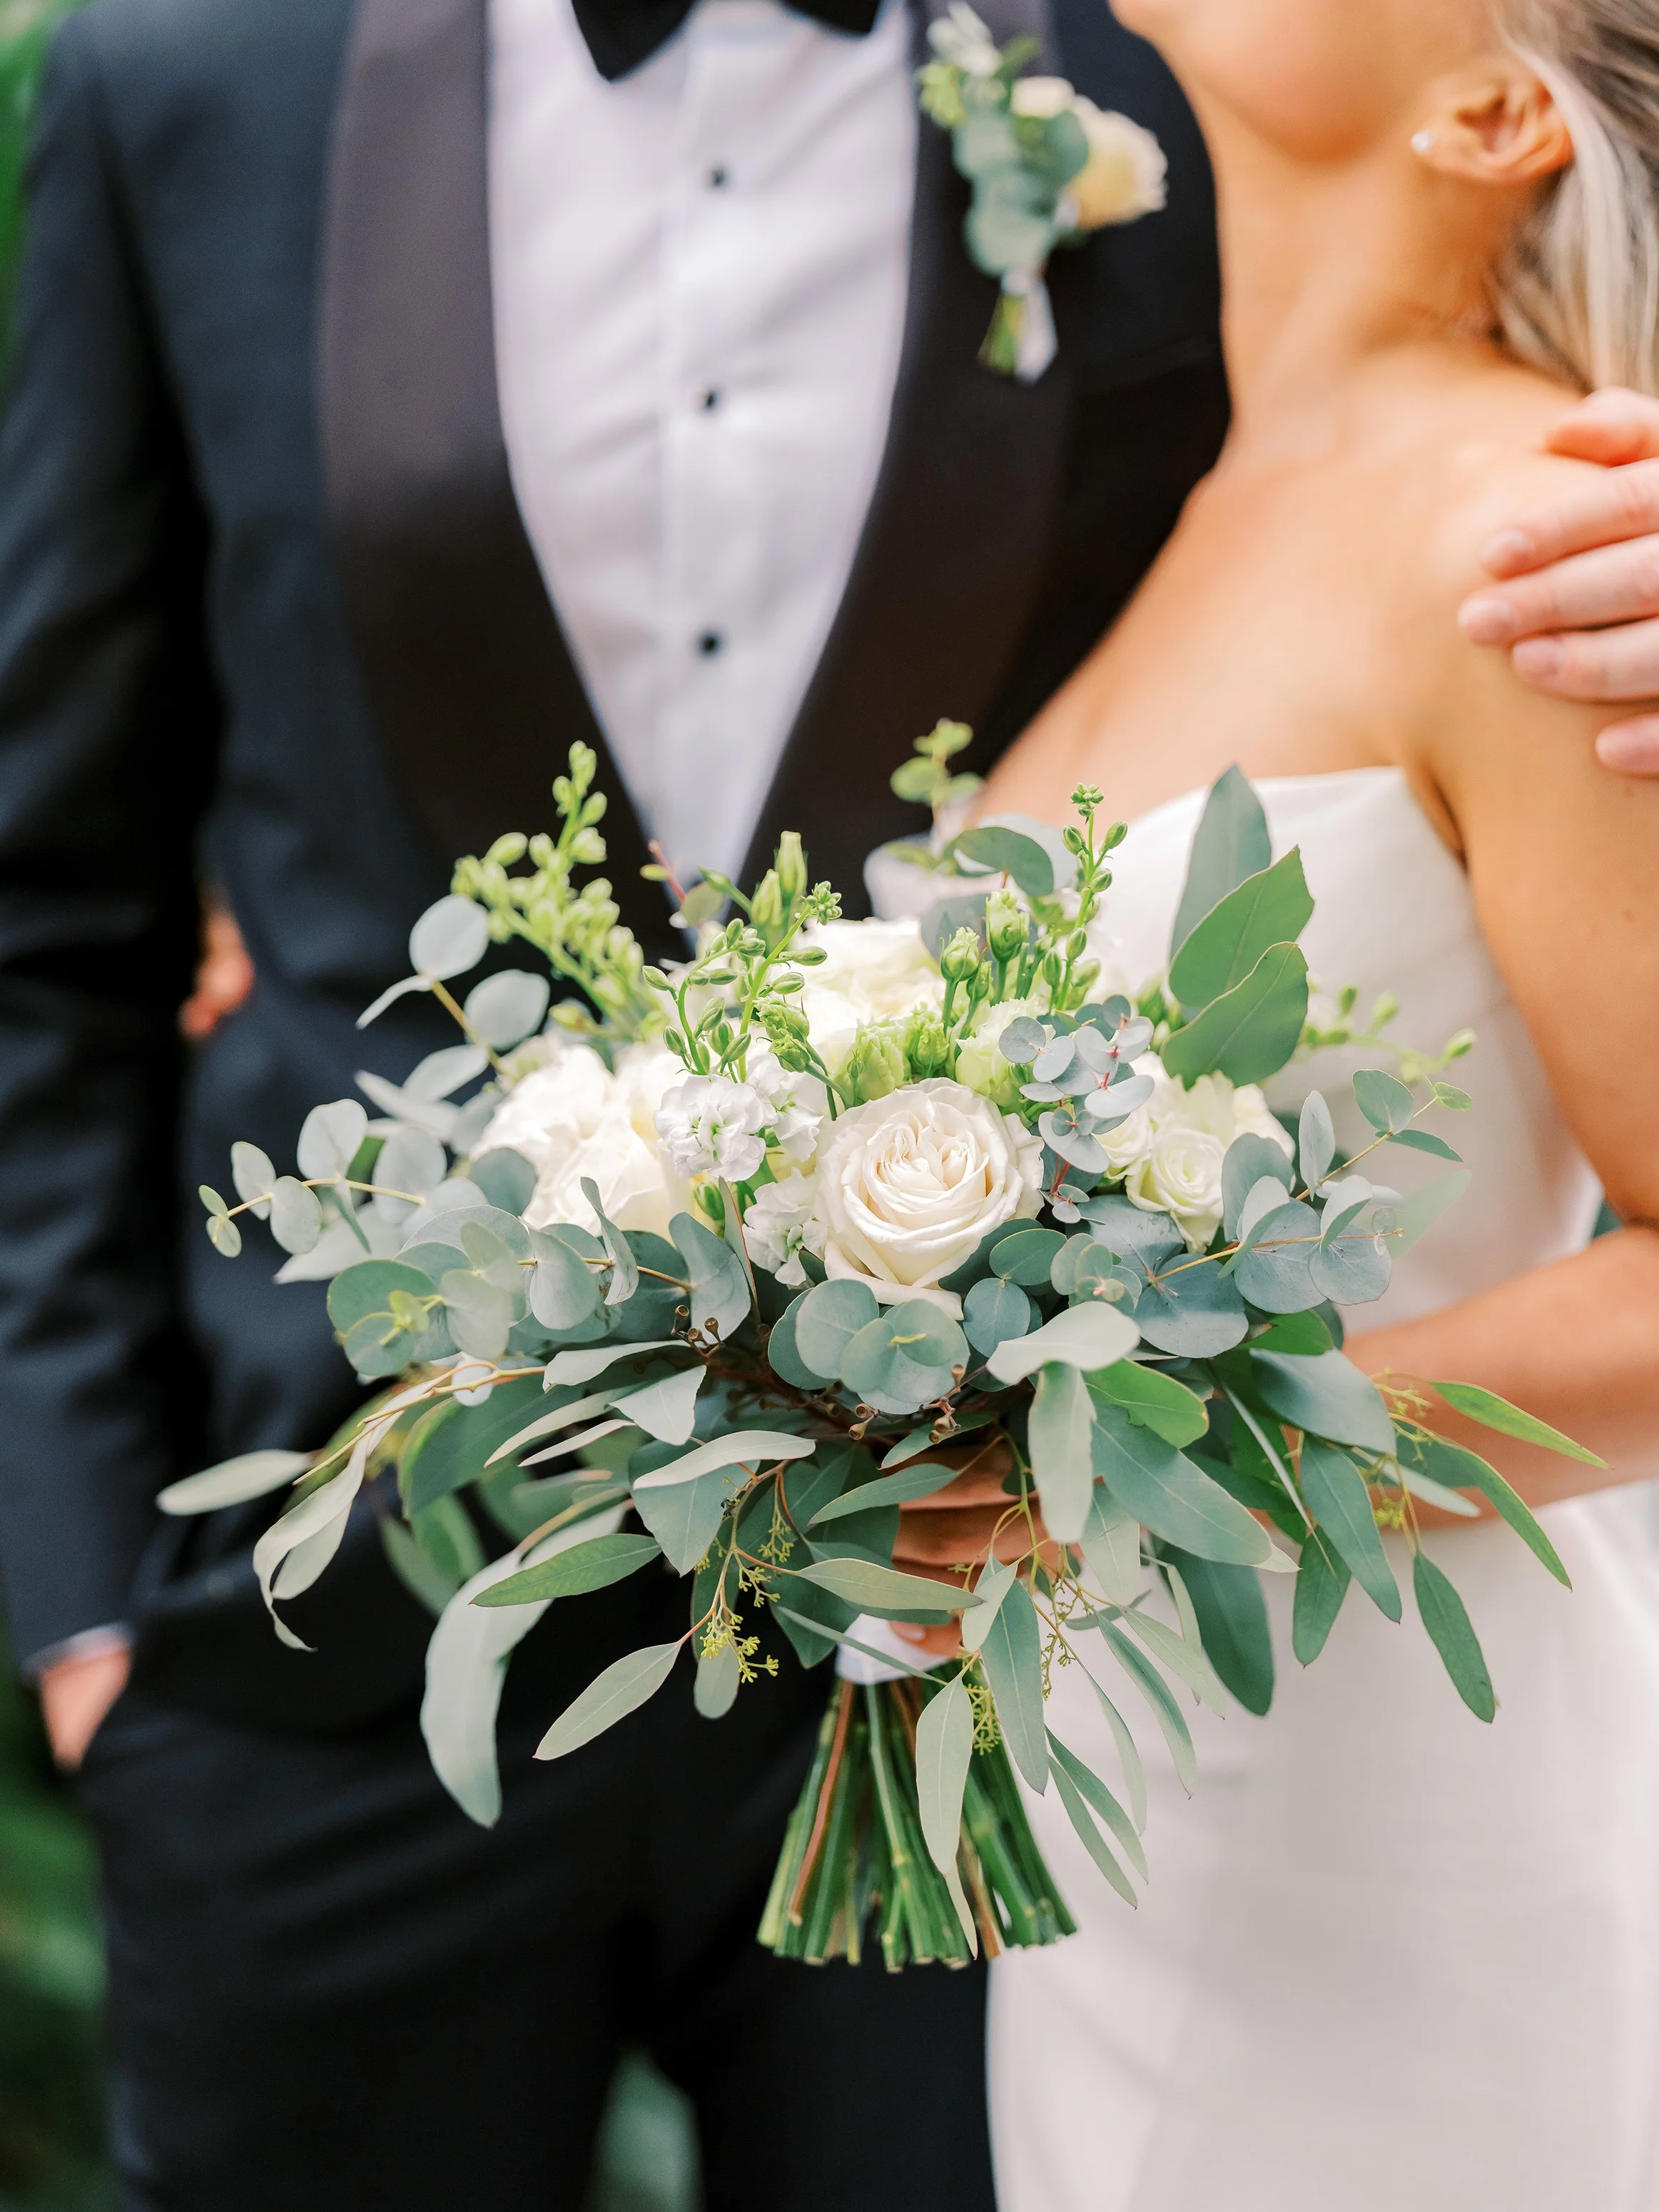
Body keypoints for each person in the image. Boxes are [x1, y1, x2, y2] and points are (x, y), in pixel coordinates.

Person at [0, 0, 1653, 2206]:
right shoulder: (190, 80)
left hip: (1027, 1712)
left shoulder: (1165, 85)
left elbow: (1539, 353)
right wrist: (80, 1596)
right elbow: (48, 897)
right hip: (335, 1613)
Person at [958, 1, 1659, 2206]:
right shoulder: (1199, 488)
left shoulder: (1546, 546)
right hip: (1122, 1814)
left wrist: (1128, 1469)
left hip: (1393, 1811)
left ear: (1487, 108)